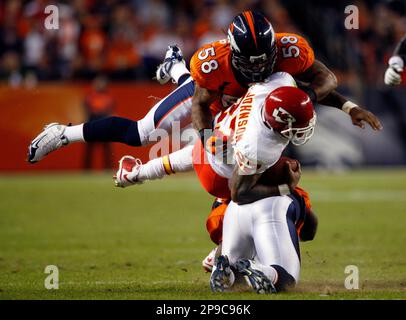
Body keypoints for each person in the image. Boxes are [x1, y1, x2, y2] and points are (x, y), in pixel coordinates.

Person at [27, 11, 381, 165]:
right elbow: (200, 103)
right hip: (211, 98)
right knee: (139, 134)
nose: (259, 68)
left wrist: (348, 106)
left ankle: (174, 67)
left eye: (265, 59)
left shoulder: (291, 51)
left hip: (238, 105)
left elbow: (325, 80)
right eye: (250, 60)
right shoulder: (213, 62)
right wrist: (208, 136)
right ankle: (63, 133)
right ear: (232, 50)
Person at [114, 72, 318, 277]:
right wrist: (285, 188)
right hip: (220, 177)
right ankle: (224, 250)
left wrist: (348, 106)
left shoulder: (275, 84)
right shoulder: (259, 147)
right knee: (283, 185)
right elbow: (239, 193)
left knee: (203, 153)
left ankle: (138, 172)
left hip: (214, 138)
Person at [83, 75, 115, 170]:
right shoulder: (90, 97)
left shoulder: (108, 97)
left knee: (107, 149)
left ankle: (108, 168)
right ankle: (86, 169)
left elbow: (110, 111)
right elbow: (87, 111)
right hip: (92, 123)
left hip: (104, 124)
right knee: (89, 150)